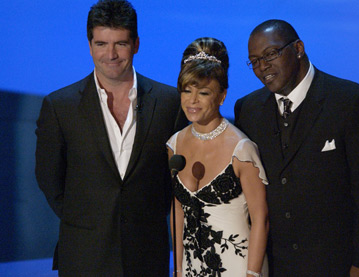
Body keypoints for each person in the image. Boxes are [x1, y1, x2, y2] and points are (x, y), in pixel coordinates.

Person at [35, 0, 186, 275]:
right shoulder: (60, 106)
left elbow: (175, 180)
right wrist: (88, 220)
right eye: (101, 43)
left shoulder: (169, 103)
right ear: (90, 45)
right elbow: (49, 177)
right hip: (84, 254)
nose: (111, 54)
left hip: (147, 252)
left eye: (121, 43)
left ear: (136, 44)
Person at [234, 19, 359, 276]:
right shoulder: (248, 109)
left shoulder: (352, 102)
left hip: (342, 266)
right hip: (278, 267)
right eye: (254, 61)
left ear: (298, 48)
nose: (262, 67)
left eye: (270, 54)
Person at [167, 37, 269, 277]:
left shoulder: (241, 149)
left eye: (203, 92)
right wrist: (179, 269)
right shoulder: (174, 145)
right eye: (186, 90)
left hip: (238, 267)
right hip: (192, 267)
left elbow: (260, 218)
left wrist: (252, 274)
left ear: (222, 96)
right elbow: (178, 210)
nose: (192, 101)